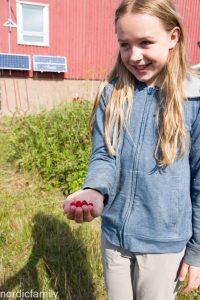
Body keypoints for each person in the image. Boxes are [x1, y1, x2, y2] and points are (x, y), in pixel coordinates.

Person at [63, 0, 200, 299]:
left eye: (146, 42)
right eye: (125, 44)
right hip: (114, 238)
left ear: (173, 37)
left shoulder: (194, 101)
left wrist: (197, 252)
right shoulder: (112, 93)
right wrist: (94, 190)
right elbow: (104, 154)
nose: (134, 56)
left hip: (164, 245)